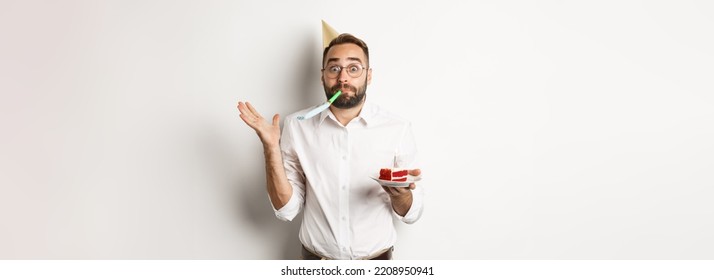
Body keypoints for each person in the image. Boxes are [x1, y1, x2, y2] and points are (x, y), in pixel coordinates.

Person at [237, 33, 423, 260]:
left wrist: (401, 195)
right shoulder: (297, 126)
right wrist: (270, 148)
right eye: (334, 69)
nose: (343, 78)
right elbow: (286, 210)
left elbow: (411, 213)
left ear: (369, 75)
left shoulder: (397, 128)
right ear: (322, 76)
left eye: (353, 68)